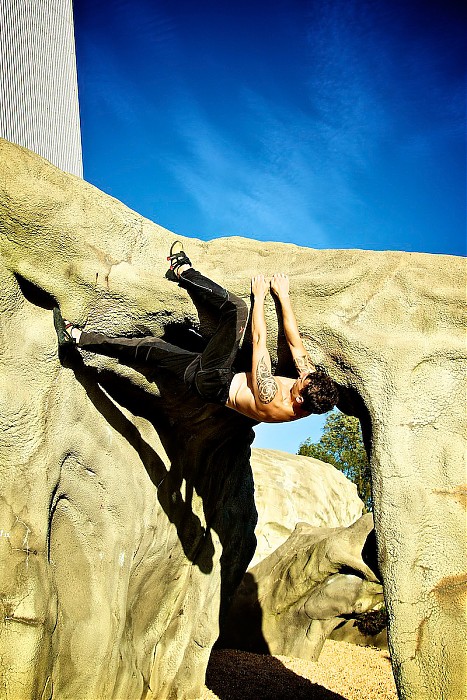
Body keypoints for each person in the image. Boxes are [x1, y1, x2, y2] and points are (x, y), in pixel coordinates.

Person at [53, 243, 338, 423]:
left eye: (301, 383)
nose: (301, 376)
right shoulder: (311, 386)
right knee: (151, 348)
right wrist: (284, 297)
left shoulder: (271, 397)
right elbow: (294, 341)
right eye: (305, 375)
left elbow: (260, 341)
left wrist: (261, 297)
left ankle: (183, 271)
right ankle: (77, 338)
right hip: (214, 380)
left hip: (215, 381)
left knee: (237, 310)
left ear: (299, 400)